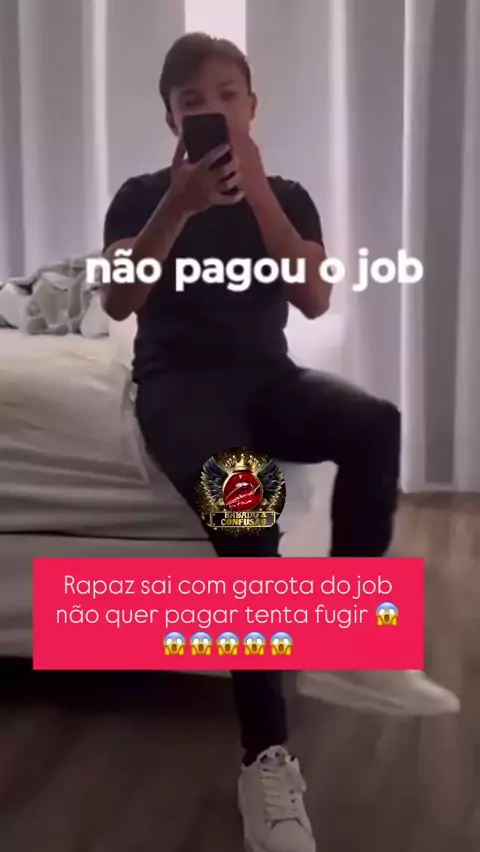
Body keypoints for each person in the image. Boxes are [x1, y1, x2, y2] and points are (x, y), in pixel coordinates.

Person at [101, 33, 459, 852]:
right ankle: (265, 759)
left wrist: (257, 193)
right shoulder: (141, 198)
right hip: (181, 389)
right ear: (171, 119)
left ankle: (347, 633)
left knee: (374, 420)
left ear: (252, 108)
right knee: (248, 504)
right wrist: (179, 208)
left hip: (267, 377)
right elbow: (120, 300)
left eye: (228, 97)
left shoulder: (288, 196)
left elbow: (315, 298)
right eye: (194, 103)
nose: (214, 113)